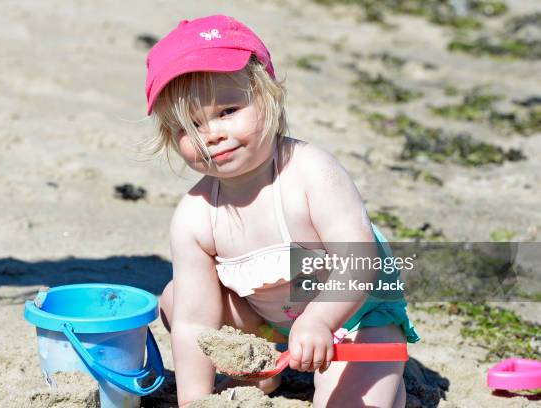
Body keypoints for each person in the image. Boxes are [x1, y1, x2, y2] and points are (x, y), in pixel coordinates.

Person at [144, 14, 420, 407]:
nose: (212, 134)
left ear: (268, 95)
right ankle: (263, 370)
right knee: (178, 300)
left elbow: (359, 262)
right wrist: (195, 401)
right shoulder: (195, 214)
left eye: (228, 110)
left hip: (355, 316)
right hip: (272, 322)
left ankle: (381, 380)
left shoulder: (310, 171)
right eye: (189, 126)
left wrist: (321, 320)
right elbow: (194, 324)